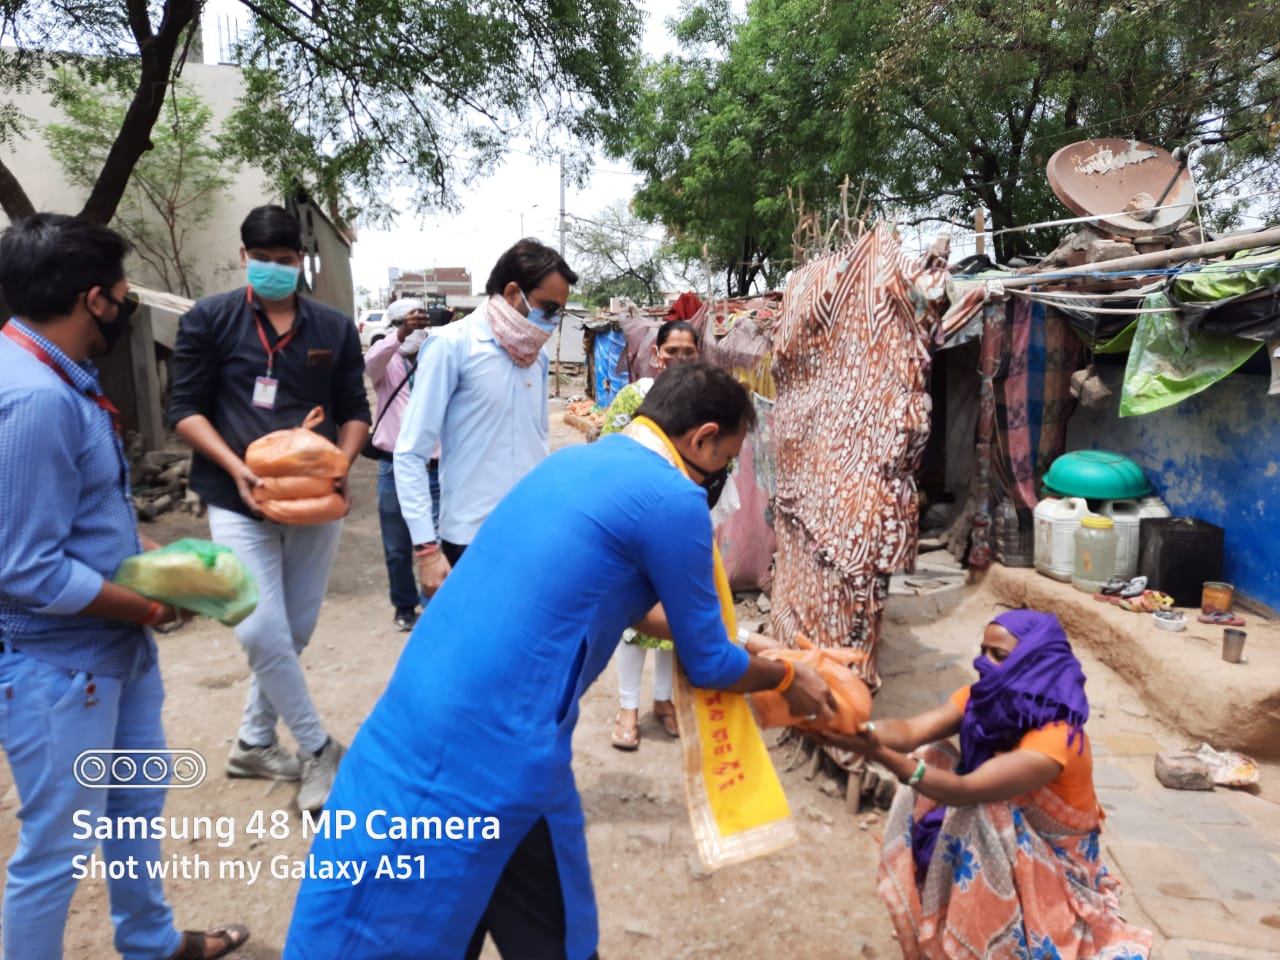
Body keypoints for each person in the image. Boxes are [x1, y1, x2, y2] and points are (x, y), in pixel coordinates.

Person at [284, 362, 839, 960]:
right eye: (725, 460)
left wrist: (752, 642)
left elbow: (619, 604)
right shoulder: (674, 498)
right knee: (407, 920)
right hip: (491, 744)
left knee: (515, 909)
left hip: (428, 705)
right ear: (702, 438)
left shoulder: (572, 463)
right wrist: (788, 677)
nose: (722, 476)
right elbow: (709, 665)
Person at [0, 213, 248, 959]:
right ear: (93, 300)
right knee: (58, 848)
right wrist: (150, 605)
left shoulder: (54, 378)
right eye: (121, 295)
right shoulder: (36, 400)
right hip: (62, 669)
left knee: (133, 808)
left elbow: (74, 510)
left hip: (113, 656)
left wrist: (147, 551)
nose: (124, 308)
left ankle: (150, 941)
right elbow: (25, 568)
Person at [169, 205, 370, 812]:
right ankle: (318, 748)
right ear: (243, 257)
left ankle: (254, 743)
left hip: (314, 500)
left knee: (294, 630)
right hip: (238, 497)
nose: (274, 270)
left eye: (285, 261)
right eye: (262, 260)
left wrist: (340, 464)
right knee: (259, 627)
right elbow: (184, 409)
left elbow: (354, 410)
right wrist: (236, 467)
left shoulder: (332, 327)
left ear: (300, 260)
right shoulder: (210, 320)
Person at [818, 611, 1153, 960]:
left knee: (982, 811)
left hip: (1059, 863)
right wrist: (861, 730)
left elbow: (965, 790)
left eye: (998, 655)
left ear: (1033, 663)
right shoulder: (980, 700)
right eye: (983, 651)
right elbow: (911, 731)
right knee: (932, 755)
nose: (982, 662)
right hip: (1012, 836)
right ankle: (949, 919)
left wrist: (882, 756)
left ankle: (991, 941)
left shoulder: (1057, 739)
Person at [394, 238, 577, 596]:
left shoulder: (536, 358)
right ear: (512, 293)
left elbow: (538, 441)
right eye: (548, 308)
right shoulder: (452, 346)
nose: (553, 321)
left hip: (529, 534)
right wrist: (427, 550)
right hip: (470, 538)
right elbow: (411, 453)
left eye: (560, 312)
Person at [600, 320, 700, 749]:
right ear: (657, 355)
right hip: (635, 522)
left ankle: (663, 700)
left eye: (688, 351)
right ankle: (627, 708)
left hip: (683, 526)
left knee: (673, 615)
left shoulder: (705, 404)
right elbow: (608, 453)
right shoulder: (633, 397)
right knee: (632, 614)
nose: (679, 358)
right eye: (672, 351)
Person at [364, 297, 444, 631]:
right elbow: (371, 361)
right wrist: (399, 335)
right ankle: (404, 605)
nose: (412, 331)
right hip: (393, 468)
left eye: (417, 324)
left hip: (435, 468)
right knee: (397, 546)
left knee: (436, 543)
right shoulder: (385, 363)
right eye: (403, 324)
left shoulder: (437, 360)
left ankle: (433, 605)